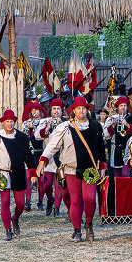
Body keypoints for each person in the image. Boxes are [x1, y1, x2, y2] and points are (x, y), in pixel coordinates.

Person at [37, 97, 107, 242]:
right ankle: (77, 231)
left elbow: (101, 147)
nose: (81, 111)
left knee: (89, 199)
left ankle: (88, 224)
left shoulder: (95, 126)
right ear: (73, 111)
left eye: (84, 108)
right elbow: (52, 145)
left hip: (90, 170)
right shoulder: (65, 127)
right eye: (78, 108)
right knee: (75, 200)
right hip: (71, 169)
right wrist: (42, 161)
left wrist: (103, 165)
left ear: (87, 110)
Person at [0, 110, 38, 241]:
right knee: (5, 202)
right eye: (7, 121)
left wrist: (33, 172)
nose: (10, 124)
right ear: (3, 123)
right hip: (2, 173)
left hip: (18, 172)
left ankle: (15, 218)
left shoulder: (22, 137)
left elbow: (29, 156)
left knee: (21, 204)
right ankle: (8, 230)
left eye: (12, 121)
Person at [35, 98, 69, 217]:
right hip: (48, 158)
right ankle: (50, 200)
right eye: (54, 109)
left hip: (61, 157)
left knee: (59, 184)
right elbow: (37, 136)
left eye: (58, 109)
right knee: (47, 184)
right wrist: (47, 128)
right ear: (51, 110)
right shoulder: (44, 121)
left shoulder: (66, 122)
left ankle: (57, 208)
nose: (56, 111)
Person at [21, 101, 47, 212]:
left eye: (36, 110)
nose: (34, 112)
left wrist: (34, 127)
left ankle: (40, 201)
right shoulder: (26, 123)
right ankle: (28, 202)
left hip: (41, 151)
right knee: (28, 177)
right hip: (30, 153)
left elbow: (40, 136)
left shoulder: (44, 122)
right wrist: (26, 128)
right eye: (32, 110)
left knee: (41, 179)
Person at [103, 96, 132, 177]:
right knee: (117, 176)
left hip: (128, 149)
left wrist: (127, 125)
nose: (123, 108)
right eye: (121, 105)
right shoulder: (111, 119)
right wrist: (113, 125)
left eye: (125, 105)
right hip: (116, 149)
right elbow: (106, 135)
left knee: (126, 175)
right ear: (117, 107)